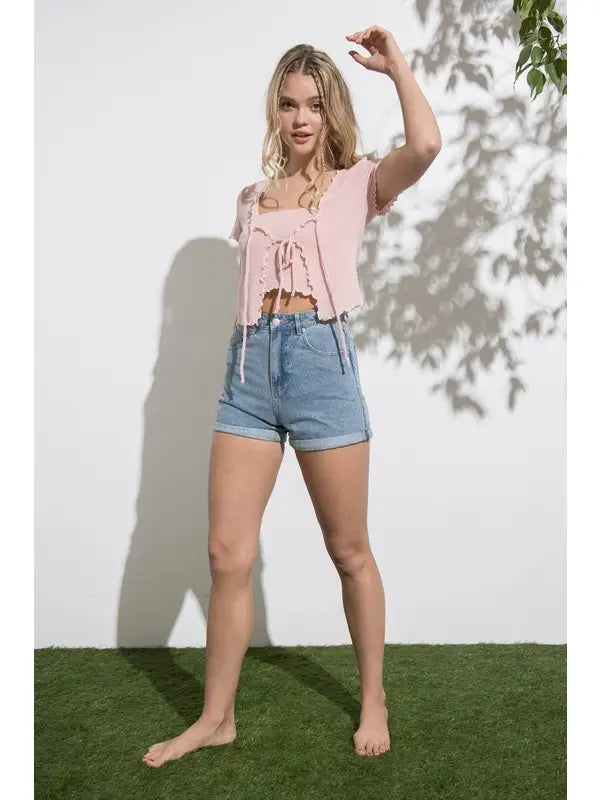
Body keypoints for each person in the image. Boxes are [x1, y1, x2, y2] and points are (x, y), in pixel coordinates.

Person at [143, 25, 441, 767]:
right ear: (274, 111)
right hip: (247, 370)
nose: (301, 118)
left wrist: (396, 66)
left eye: (313, 104)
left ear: (331, 109)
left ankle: (372, 695)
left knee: (349, 551)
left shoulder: (358, 183)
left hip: (321, 367)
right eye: (288, 104)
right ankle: (217, 717)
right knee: (226, 553)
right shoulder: (251, 199)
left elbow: (427, 146)